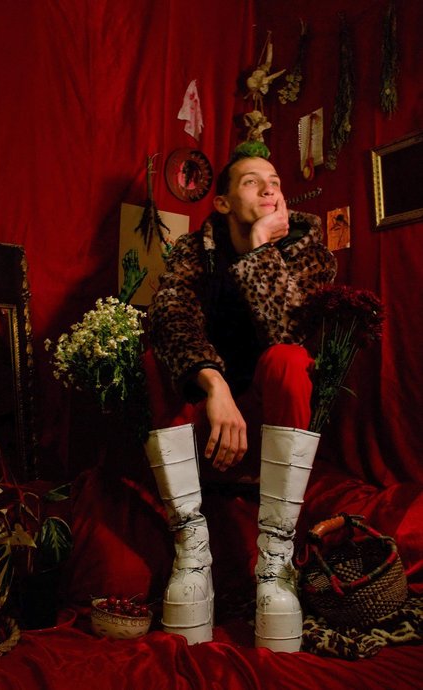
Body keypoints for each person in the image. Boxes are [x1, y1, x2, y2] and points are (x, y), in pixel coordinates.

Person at [143, 141, 337, 651]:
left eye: (275, 182)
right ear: (223, 202)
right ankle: (192, 551)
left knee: (289, 358)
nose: (270, 189)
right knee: (154, 355)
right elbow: (170, 316)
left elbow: (289, 330)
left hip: (273, 414)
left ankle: (275, 563)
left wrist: (258, 249)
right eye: (253, 182)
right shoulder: (194, 251)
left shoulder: (307, 249)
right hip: (211, 412)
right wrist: (213, 383)